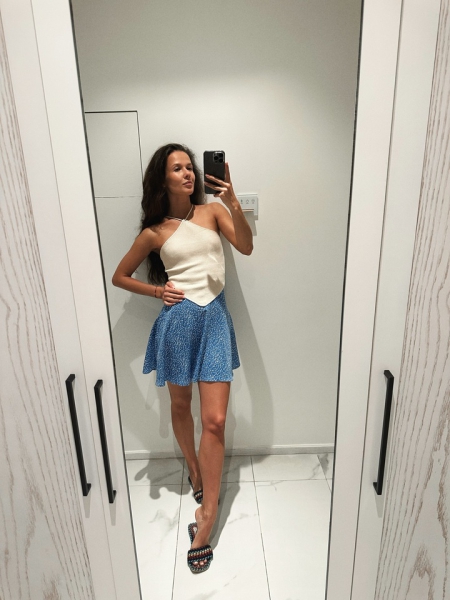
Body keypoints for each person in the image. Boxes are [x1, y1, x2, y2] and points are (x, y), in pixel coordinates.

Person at [112, 143, 253, 573]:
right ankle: (193, 469)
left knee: (215, 421)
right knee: (179, 406)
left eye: (190, 167)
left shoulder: (212, 212)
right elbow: (119, 276)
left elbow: (246, 247)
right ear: (163, 178)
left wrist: (232, 199)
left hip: (215, 320)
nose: (188, 173)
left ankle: (206, 517)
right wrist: (158, 291)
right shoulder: (154, 232)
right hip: (178, 323)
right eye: (178, 168)